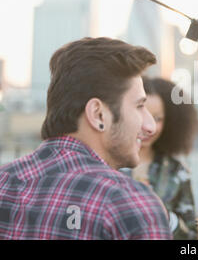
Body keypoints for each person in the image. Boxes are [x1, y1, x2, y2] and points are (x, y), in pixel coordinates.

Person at [0, 37, 172, 239]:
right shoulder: (129, 203)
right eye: (139, 106)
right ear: (98, 114)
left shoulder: (4, 182)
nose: (150, 126)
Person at [126, 76, 198, 240]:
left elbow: (193, 236)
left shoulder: (176, 171)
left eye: (158, 118)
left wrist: (166, 217)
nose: (149, 126)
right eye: (140, 113)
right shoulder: (106, 164)